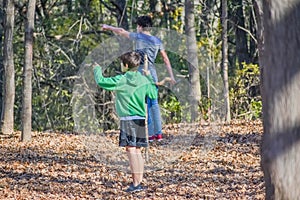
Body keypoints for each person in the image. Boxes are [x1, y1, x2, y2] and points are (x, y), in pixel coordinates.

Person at [102, 15, 176, 142]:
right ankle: (157, 133)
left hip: (140, 70)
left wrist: (108, 27)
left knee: (141, 100)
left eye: (137, 26)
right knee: (153, 102)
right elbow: (165, 59)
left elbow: (121, 31)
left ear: (140, 27)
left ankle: (145, 132)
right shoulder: (157, 41)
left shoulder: (138, 36)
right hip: (152, 71)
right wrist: (172, 76)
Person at [93, 51, 157, 193]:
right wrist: (149, 77)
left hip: (128, 120)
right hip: (140, 119)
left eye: (122, 63)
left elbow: (101, 81)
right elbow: (153, 94)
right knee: (138, 150)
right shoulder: (143, 79)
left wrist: (97, 69)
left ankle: (136, 184)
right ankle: (139, 182)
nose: (121, 65)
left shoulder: (122, 79)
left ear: (126, 65)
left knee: (131, 150)